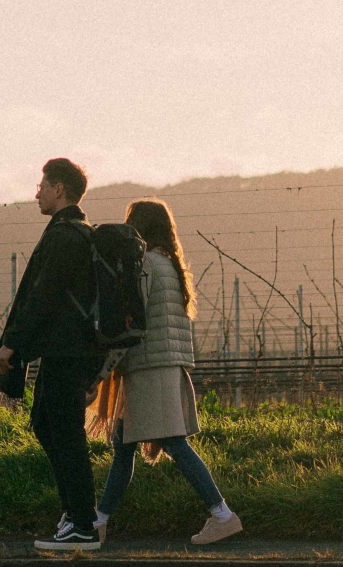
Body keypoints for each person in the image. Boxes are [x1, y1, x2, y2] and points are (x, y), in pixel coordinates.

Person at [90, 198, 240, 545]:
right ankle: (98, 521)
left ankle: (223, 514)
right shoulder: (170, 266)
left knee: (173, 443)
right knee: (123, 445)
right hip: (164, 367)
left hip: (148, 369)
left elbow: (131, 323)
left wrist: (101, 371)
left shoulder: (145, 267)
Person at [0, 157, 106, 551]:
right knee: (45, 422)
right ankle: (74, 513)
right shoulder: (80, 231)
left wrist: (14, 343)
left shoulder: (63, 235)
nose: (36, 192)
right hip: (72, 351)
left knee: (65, 433)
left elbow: (43, 296)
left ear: (59, 189)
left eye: (42, 185)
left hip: (65, 351)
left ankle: (82, 524)